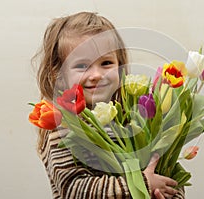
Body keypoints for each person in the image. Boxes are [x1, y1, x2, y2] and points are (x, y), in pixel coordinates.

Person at [33, 11, 185, 199]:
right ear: (60, 75)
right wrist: (141, 184)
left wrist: (165, 193)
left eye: (106, 63)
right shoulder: (62, 127)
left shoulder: (133, 120)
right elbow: (74, 189)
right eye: (82, 66)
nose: (96, 74)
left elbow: (166, 171)